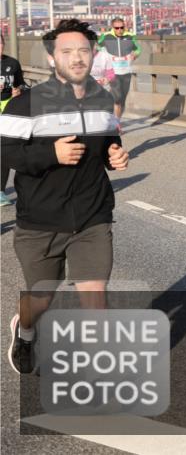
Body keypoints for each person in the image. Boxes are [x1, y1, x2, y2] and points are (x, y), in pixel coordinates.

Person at [1, 19, 129, 374]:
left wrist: (115, 156)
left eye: (84, 51)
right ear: (51, 56)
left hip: (92, 215)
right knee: (39, 299)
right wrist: (49, 155)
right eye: (67, 51)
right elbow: (4, 153)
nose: (77, 58)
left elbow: (108, 143)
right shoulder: (25, 104)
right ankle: (24, 330)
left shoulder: (104, 99)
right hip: (40, 220)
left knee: (95, 298)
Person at [97, 18, 141, 119]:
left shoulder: (130, 36)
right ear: (113, 28)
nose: (119, 30)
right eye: (117, 28)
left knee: (123, 99)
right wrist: (105, 55)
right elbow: (97, 46)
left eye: (122, 27)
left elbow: (138, 49)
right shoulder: (106, 36)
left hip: (126, 71)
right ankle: (115, 123)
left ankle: (117, 121)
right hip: (113, 72)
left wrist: (136, 54)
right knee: (117, 97)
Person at [1, 32, 26, 207]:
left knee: (4, 149)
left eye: (0, 44)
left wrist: (19, 90)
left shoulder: (12, 63)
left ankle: (0, 190)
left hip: (8, 109)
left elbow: (22, 83)